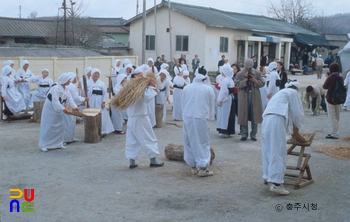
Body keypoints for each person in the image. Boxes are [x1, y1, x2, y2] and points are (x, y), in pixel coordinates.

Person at [262, 81, 304, 195]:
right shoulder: (293, 93)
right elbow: (297, 113)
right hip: (277, 119)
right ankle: (276, 183)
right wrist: (297, 130)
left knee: (268, 149)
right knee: (278, 150)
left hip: (267, 118)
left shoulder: (280, 93)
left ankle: (268, 176)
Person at [124, 76, 164, 168]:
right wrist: (151, 86)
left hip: (132, 118)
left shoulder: (129, 91)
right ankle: (153, 160)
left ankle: (132, 161)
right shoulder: (139, 91)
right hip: (140, 117)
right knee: (149, 137)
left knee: (132, 139)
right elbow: (147, 97)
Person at [182, 66, 215, 177]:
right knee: (202, 142)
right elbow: (211, 106)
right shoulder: (209, 89)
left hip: (188, 117)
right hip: (201, 117)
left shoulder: (187, 88)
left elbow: (183, 103)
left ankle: (192, 165)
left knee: (189, 140)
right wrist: (210, 117)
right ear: (205, 78)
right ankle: (202, 167)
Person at [38, 73, 79, 152]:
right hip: (50, 109)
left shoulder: (66, 89)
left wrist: (75, 107)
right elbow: (55, 102)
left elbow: (69, 100)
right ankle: (44, 144)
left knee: (60, 126)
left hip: (59, 109)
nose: (69, 81)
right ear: (64, 80)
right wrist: (63, 109)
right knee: (48, 126)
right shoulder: (55, 88)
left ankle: (58, 143)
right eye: (68, 80)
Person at [234, 58, 264, 141]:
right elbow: (237, 84)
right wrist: (245, 80)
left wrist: (254, 81)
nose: (248, 70)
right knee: (243, 114)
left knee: (255, 115)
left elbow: (262, 83)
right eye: (247, 68)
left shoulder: (257, 73)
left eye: (250, 68)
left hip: (254, 96)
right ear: (244, 66)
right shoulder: (240, 74)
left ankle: (253, 134)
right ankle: (244, 134)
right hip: (243, 96)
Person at [63, 72, 89, 143]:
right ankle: (68, 138)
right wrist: (84, 99)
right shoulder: (71, 86)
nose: (76, 79)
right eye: (75, 78)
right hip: (71, 107)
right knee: (69, 123)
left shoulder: (68, 86)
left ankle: (69, 137)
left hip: (66, 106)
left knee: (66, 123)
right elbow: (76, 98)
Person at [88, 68, 114, 135]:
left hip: (99, 100)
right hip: (91, 100)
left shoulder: (102, 83)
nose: (96, 75)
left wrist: (103, 102)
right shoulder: (88, 83)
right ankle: (92, 130)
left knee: (102, 116)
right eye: (95, 73)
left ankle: (102, 130)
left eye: (98, 74)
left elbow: (105, 93)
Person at [323, 62, 343, 139]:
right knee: (337, 115)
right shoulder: (340, 77)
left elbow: (324, 86)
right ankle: (336, 131)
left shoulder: (330, 78)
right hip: (338, 99)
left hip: (330, 99)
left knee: (332, 116)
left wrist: (327, 78)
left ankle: (334, 133)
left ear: (330, 69)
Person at [216, 65, 235, 138]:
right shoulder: (230, 79)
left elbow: (223, 91)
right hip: (229, 98)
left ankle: (224, 130)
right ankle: (228, 130)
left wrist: (219, 100)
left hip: (225, 99)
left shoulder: (225, 80)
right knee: (228, 114)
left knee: (224, 114)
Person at [231, 64, 241, 134]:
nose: (233, 70)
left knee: (239, 113)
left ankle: (242, 128)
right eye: (232, 69)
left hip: (237, 95)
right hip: (232, 95)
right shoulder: (230, 76)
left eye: (235, 69)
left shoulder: (239, 76)